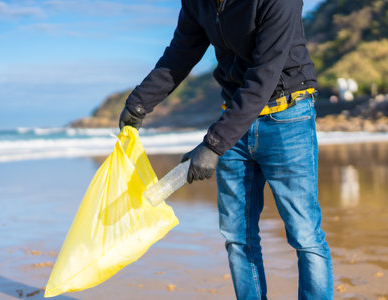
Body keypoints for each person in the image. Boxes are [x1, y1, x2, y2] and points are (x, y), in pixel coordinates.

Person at [119, 0, 333, 299]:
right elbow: (181, 53)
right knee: (238, 238)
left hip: (288, 117)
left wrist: (214, 144)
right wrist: (139, 103)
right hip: (234, 120)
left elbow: (265, 74)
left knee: (304, 234)